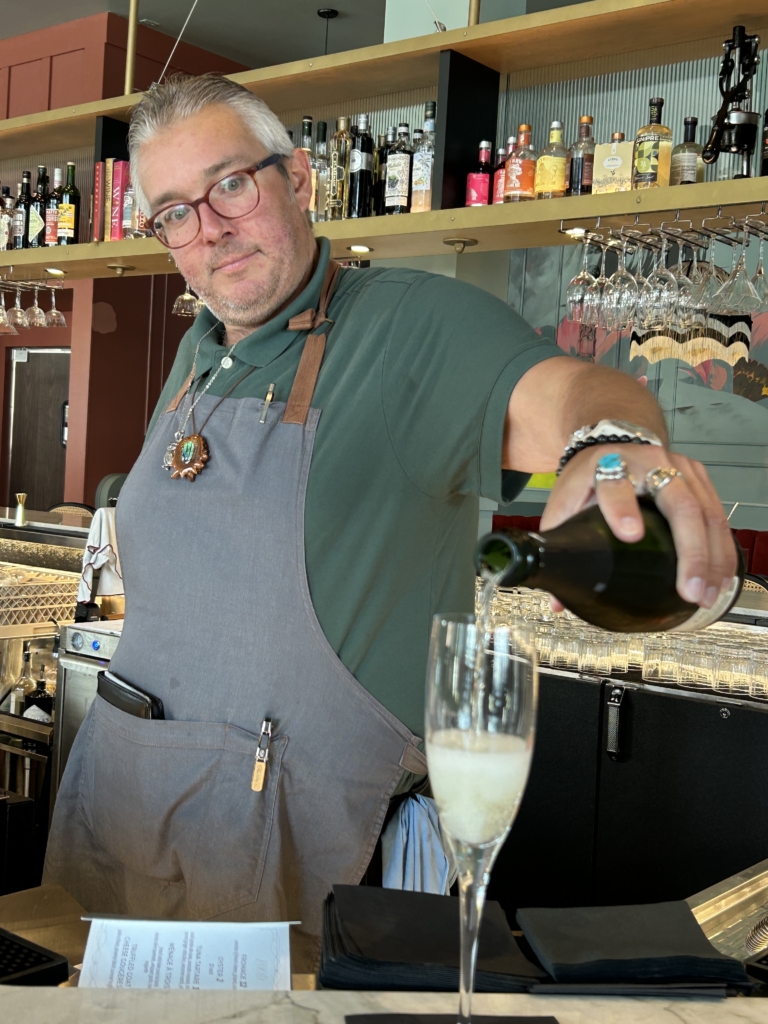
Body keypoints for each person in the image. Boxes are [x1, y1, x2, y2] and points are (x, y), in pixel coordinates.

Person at [44, 75, 735, 970]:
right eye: (173, 211)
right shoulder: (197, 354)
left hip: (297, 856)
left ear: (299, 180)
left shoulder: (410, 328)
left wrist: (614, 446)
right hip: (131, 821)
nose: (208, 228)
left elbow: (573, 392)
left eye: (231, 186)